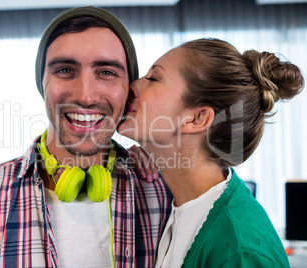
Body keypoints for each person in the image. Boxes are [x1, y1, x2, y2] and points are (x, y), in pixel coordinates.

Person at [0, 6, 172, 268]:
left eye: (106, 72)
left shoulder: (166, 191)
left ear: (128, 90)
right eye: (65, 70)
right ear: (41, 82)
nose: (86, 96)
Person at [118, 38, 304, 267]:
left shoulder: (240, 251)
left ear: (197, 119)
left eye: (153, 78)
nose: (131, 87)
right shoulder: (182, 207)